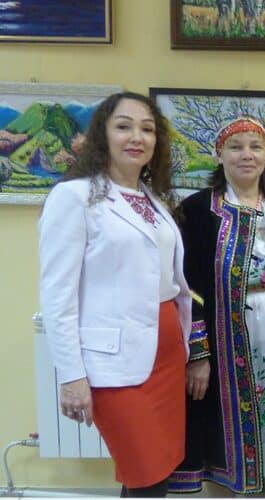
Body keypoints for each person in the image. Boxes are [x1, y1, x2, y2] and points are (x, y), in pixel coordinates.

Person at [38, 91, 191, 497]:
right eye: (124, 126)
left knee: (158, 471)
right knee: (144, 470)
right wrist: (71, 376)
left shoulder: (153, 200)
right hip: (115, 362)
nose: (136, 137)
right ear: (102, 135)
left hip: (166, 354)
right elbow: (58, 295)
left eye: (147, 129)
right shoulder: (74, 197)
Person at [168, 117, 265, 495]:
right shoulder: (198, 212)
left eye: (255, 147)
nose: (247, 155)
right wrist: (198, 355)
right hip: (224, 346)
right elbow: (185, 287)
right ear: (220, 155)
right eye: (236, 147)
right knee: (223, 444)